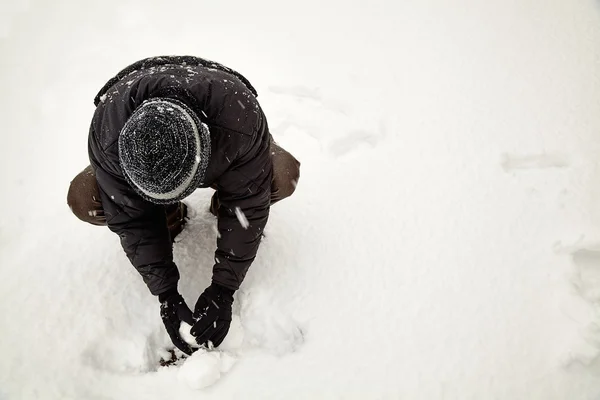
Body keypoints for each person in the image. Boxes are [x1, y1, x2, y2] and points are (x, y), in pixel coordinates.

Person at [66, 56, 300, 355]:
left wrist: (224, 289)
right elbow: (131, 219)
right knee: (84, 198)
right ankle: (170, 218)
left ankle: (221, 206)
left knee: (280, 175)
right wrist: (165, 293)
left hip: (226, 127)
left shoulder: (239, 118)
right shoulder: (107, 131)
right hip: (129, 131)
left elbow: (249, 204)